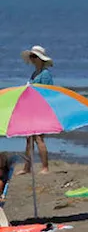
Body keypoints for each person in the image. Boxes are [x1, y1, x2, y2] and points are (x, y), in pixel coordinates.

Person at [20, 46, 53, 175]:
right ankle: (27, 167)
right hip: (31, 108)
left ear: (41, 59)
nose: (32, 59)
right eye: (31, 56)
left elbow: (48, 92)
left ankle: (45, 167)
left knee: (39, 138)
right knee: (28, 138)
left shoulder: (45, 74)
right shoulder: (35, 73)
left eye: (34, 56)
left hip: (41, 109)